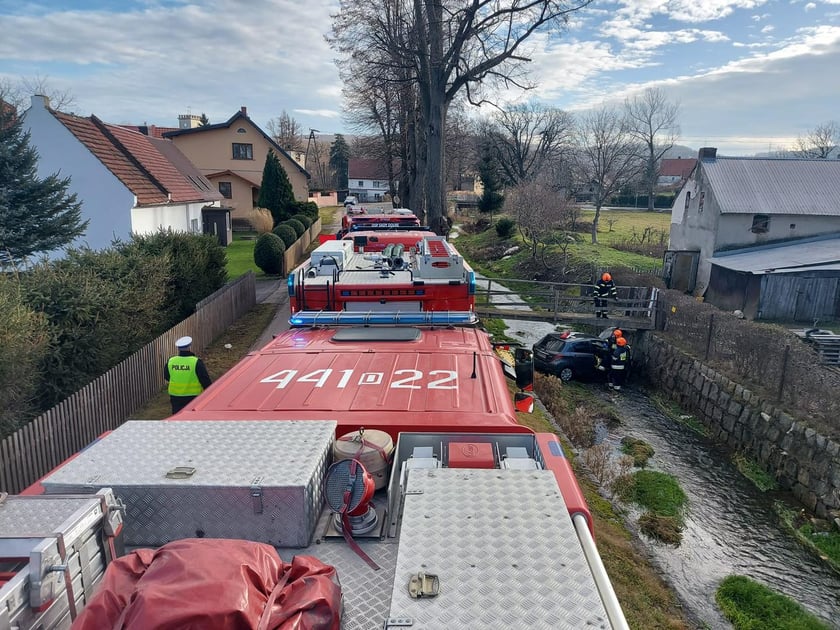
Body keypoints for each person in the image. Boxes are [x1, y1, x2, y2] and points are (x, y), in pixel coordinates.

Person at [165, 336, 212, 414]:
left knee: (177, 417)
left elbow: (167, 376)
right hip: (193, 396)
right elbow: (205, 380)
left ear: (178, 348)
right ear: (189, 346)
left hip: (175, 396)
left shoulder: (171, 361)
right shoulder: (196, 362)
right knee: (192, 417)